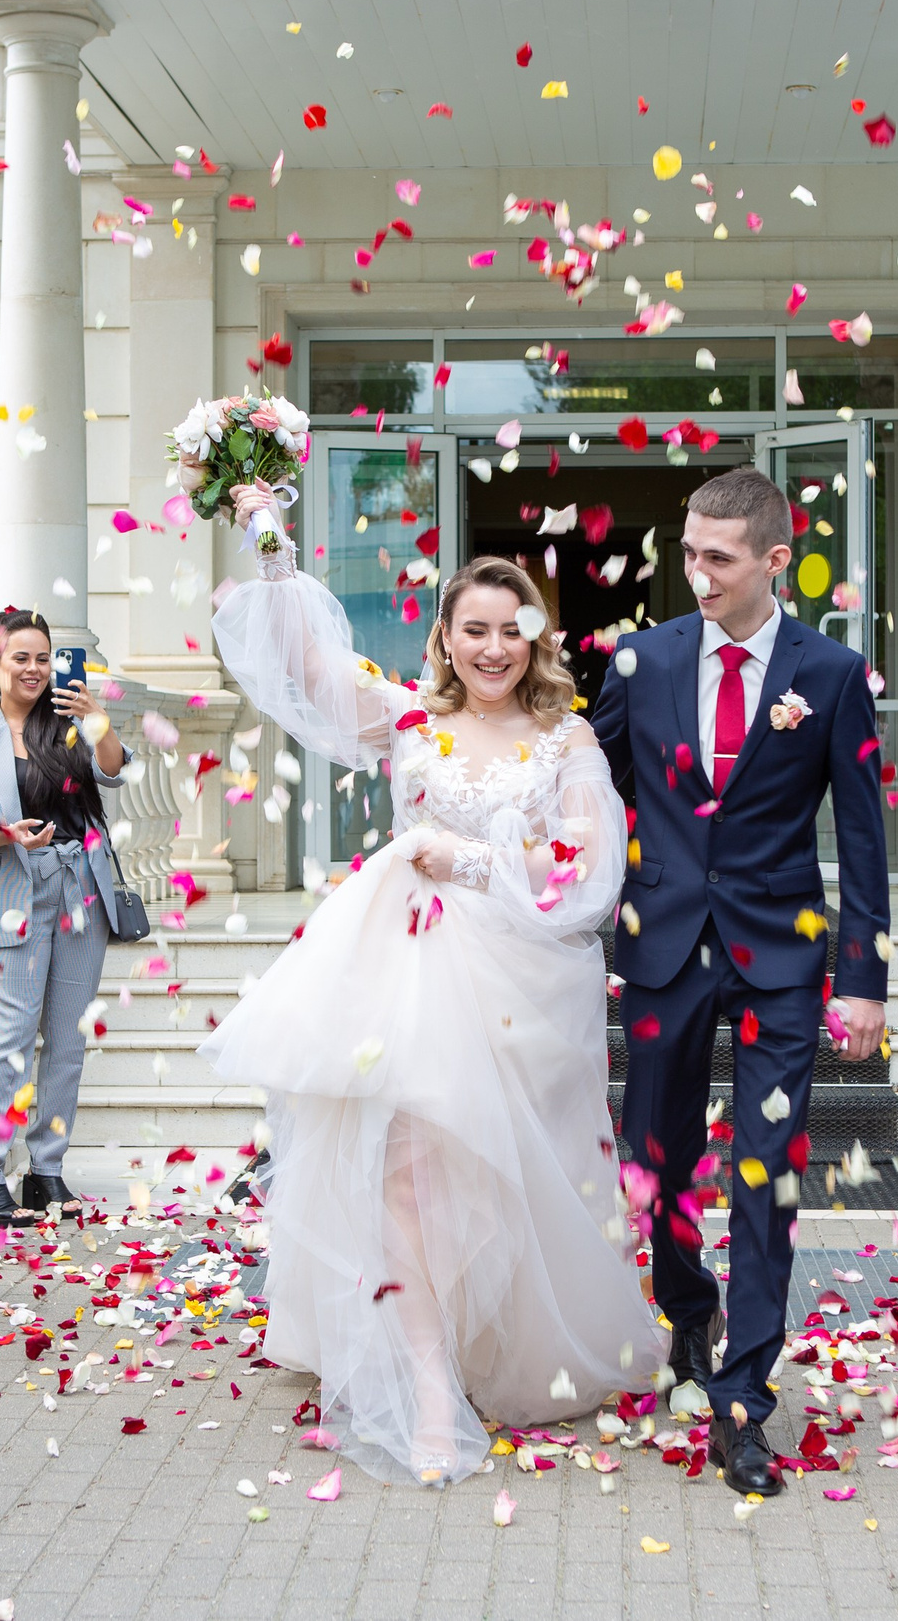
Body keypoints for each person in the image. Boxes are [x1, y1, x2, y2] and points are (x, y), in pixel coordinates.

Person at [203, 496, 665, 1488]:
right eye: (474, 631)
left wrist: (468, 854)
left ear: (533, 638)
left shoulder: (566, 743)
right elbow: (309, 667)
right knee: (404, 1168)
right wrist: (273, 543)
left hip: (521, 984)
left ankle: (483, 1346)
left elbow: (588, 876)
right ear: (445, 640)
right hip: (403, 973)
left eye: (510, 630)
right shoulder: (408, 720)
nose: (493, 648)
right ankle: (422, 1387)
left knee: (492, 1177)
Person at [592, 464, 891, 1499]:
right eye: (686, 553)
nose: (696, 573)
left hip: (782, 959)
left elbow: (862, 833)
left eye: (717, 558)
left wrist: (863, 979)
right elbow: (588, 795)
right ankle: (689, 1309)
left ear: (774, 559)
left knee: (765, 1177)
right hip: (664, 949)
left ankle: (743, 1401)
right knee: (655, 1167)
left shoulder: (834, 675)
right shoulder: (641, 659)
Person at [0, 609, 127, 1228]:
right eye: (19, 658)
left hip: (83, 884)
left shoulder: (71, 723)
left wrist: (96, 720)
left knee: (68, 1037)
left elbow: (114, 771)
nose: (34, 669)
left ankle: (46, 1171)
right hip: (18, 887)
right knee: (9, 1038)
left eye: (42, 657)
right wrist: (6, 833)